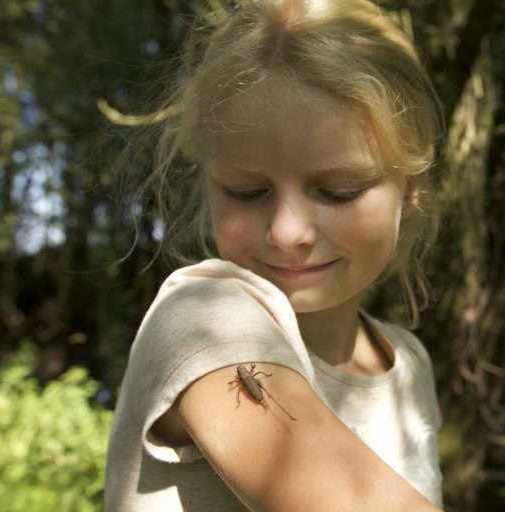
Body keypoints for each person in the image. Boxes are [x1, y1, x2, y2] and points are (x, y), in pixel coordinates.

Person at [104, 0, 444, 510]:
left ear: (413, 188)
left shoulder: (410, 362)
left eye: (340, 190)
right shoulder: (203, 322)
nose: (288, 232)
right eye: (246, 191)